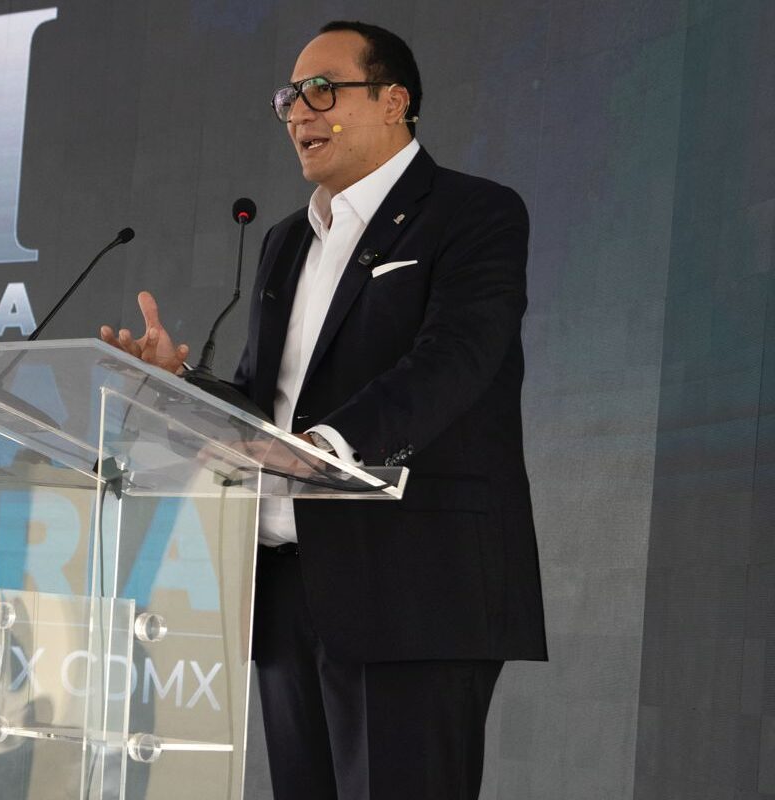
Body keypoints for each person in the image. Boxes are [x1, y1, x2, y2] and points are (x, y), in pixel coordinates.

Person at [99, 21, 547, 799]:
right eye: (289, 99)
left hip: (413, 589)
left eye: (321, 91)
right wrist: (180, 382)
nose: (298, 112)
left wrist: (325, 447)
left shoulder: (473, 213)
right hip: (288, 587)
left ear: (394, 101)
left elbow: (455, 361)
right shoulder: (285, 241)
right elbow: (266, 406)